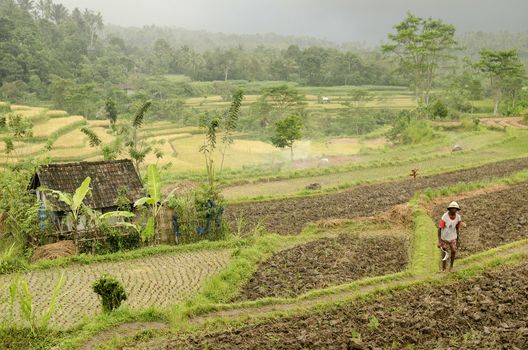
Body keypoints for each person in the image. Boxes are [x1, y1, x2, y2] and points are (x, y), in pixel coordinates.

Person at [437, 201, 462, 272]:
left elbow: (457, 228)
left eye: (455, 209)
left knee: (453, 250)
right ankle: (444, 268)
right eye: (452, 208)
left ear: (457, 210)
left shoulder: (458, 217)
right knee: (445, 252)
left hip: (452, 237)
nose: (454, 210)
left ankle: (451, 267)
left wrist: (458, 239)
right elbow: (439, 229)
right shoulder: (445, 217)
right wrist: (439, 241)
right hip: (444, 237)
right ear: (450, 209)